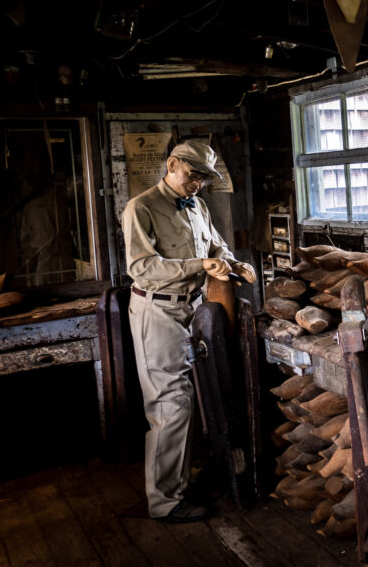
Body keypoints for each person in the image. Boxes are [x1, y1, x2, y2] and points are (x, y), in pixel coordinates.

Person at [122, 139, 256, 523]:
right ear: (172, 163)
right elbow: (143, 268)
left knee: (198, 397)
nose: (198, 183)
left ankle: (182, 478)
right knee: (171, 405)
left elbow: (216, 247)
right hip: (157, 310)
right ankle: (165, 502)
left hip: (193, 308)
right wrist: (200, 265)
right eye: (193, 174)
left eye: (204, 178)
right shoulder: (141, 207)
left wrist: (233, 263)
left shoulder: (197, 205)